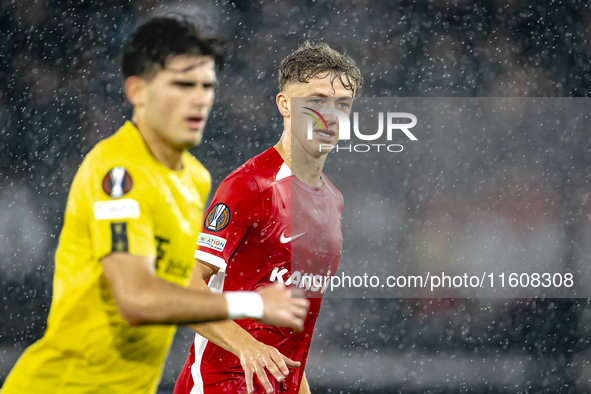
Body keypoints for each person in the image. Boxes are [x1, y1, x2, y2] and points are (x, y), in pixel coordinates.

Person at [1, 16, 309, 394]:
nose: (199, 98)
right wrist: (251, 305)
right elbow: (136, 299)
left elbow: (185, 290)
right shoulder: (117, 171)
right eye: (181, 84)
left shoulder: (194, 178)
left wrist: (251, 343)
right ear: (137, 91)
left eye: (206, 86)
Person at [173, 41, 363, 394]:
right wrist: (248, 347)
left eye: (342, 104)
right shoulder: (249, 185)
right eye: (317, 100)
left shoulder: (332, 201)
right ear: (285, 105)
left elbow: (294, 336)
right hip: (220, 385)